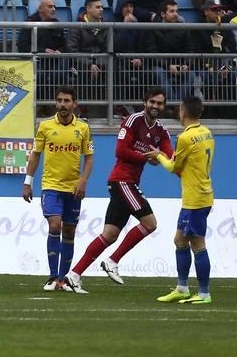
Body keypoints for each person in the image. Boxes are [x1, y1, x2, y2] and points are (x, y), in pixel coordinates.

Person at [65, 87, 172, 292]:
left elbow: (169, 157)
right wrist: (149, 157)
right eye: (152, 102)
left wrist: (161, 156)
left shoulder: (162, 132)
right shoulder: (133, 121)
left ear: (164, 106)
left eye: (159, 103)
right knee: (150, 223)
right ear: (145, 102)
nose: (155, 106)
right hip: (122, 181)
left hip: (128, 183)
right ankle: (113, 260)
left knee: (110, 234)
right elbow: (120, 151)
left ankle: (74, 274)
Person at [22, 87, 93, 291]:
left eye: (67, 100)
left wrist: (83, 181)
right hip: (51, 186)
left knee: (69, 231)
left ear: (74, 104)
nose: (63, 104)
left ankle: (64, 279)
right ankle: (53, 277)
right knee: (55, 226)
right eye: (60, 100)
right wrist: (28, 182)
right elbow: (36, 154)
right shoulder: (44, 126)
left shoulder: (83, 128)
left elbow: (89, 157)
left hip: (73, 189)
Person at [151, 96, 215, 305]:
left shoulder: (185, 138)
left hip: (194, 199)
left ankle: (203, 293)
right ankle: (182, 288)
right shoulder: (207, 133)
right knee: (180, 240)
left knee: (197, 243)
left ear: (182, 111)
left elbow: (173, 168)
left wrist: (158, 155)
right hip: (203, 194)